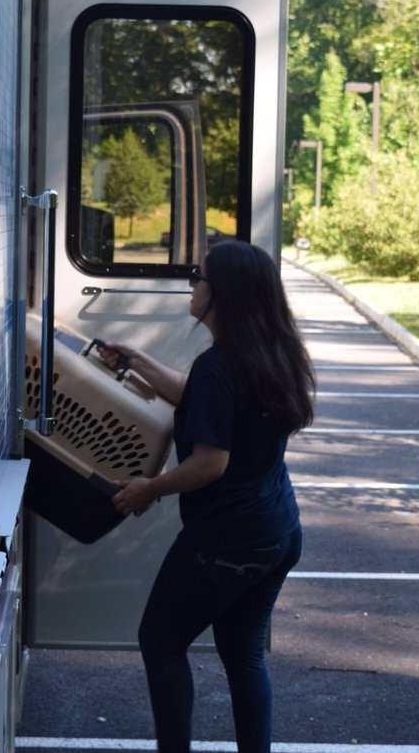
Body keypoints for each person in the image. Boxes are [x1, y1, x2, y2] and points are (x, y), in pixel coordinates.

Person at [98, 240, 315, 753]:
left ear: (224, 294)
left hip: (229, 540)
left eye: (198, 278)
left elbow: (209, 464)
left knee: (161, 641)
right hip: (277, 531)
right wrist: (137, 361)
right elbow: (194, 394)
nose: (191, 285)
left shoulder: (222, 364)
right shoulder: (265, 352)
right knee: (243, 655)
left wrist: (148, 489)